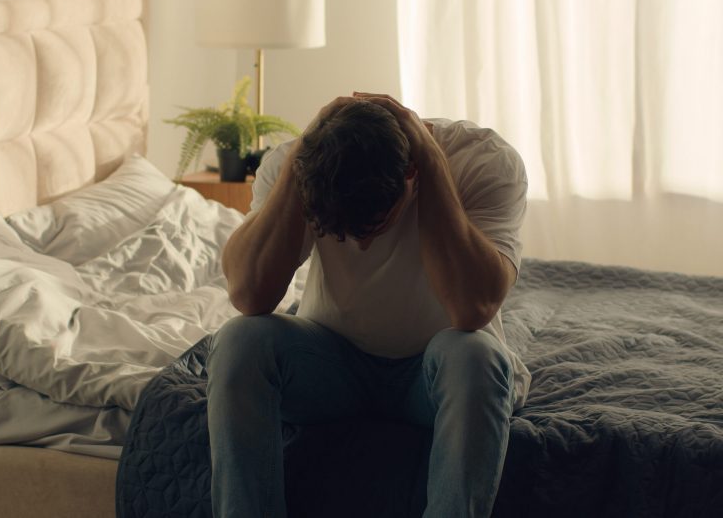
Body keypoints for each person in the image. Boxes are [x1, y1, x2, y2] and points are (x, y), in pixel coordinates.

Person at [207, 92, 531, 518]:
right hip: (332, 367)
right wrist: (298, 166)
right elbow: (249, 295)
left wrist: (434, 166)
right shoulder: (295, 164)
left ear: (411, 172)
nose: (360, 243)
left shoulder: (483, 160)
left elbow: (473, 308)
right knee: (238, 340)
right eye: (340, 232)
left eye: (376, 226)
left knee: (479, 356)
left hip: (433, 375)